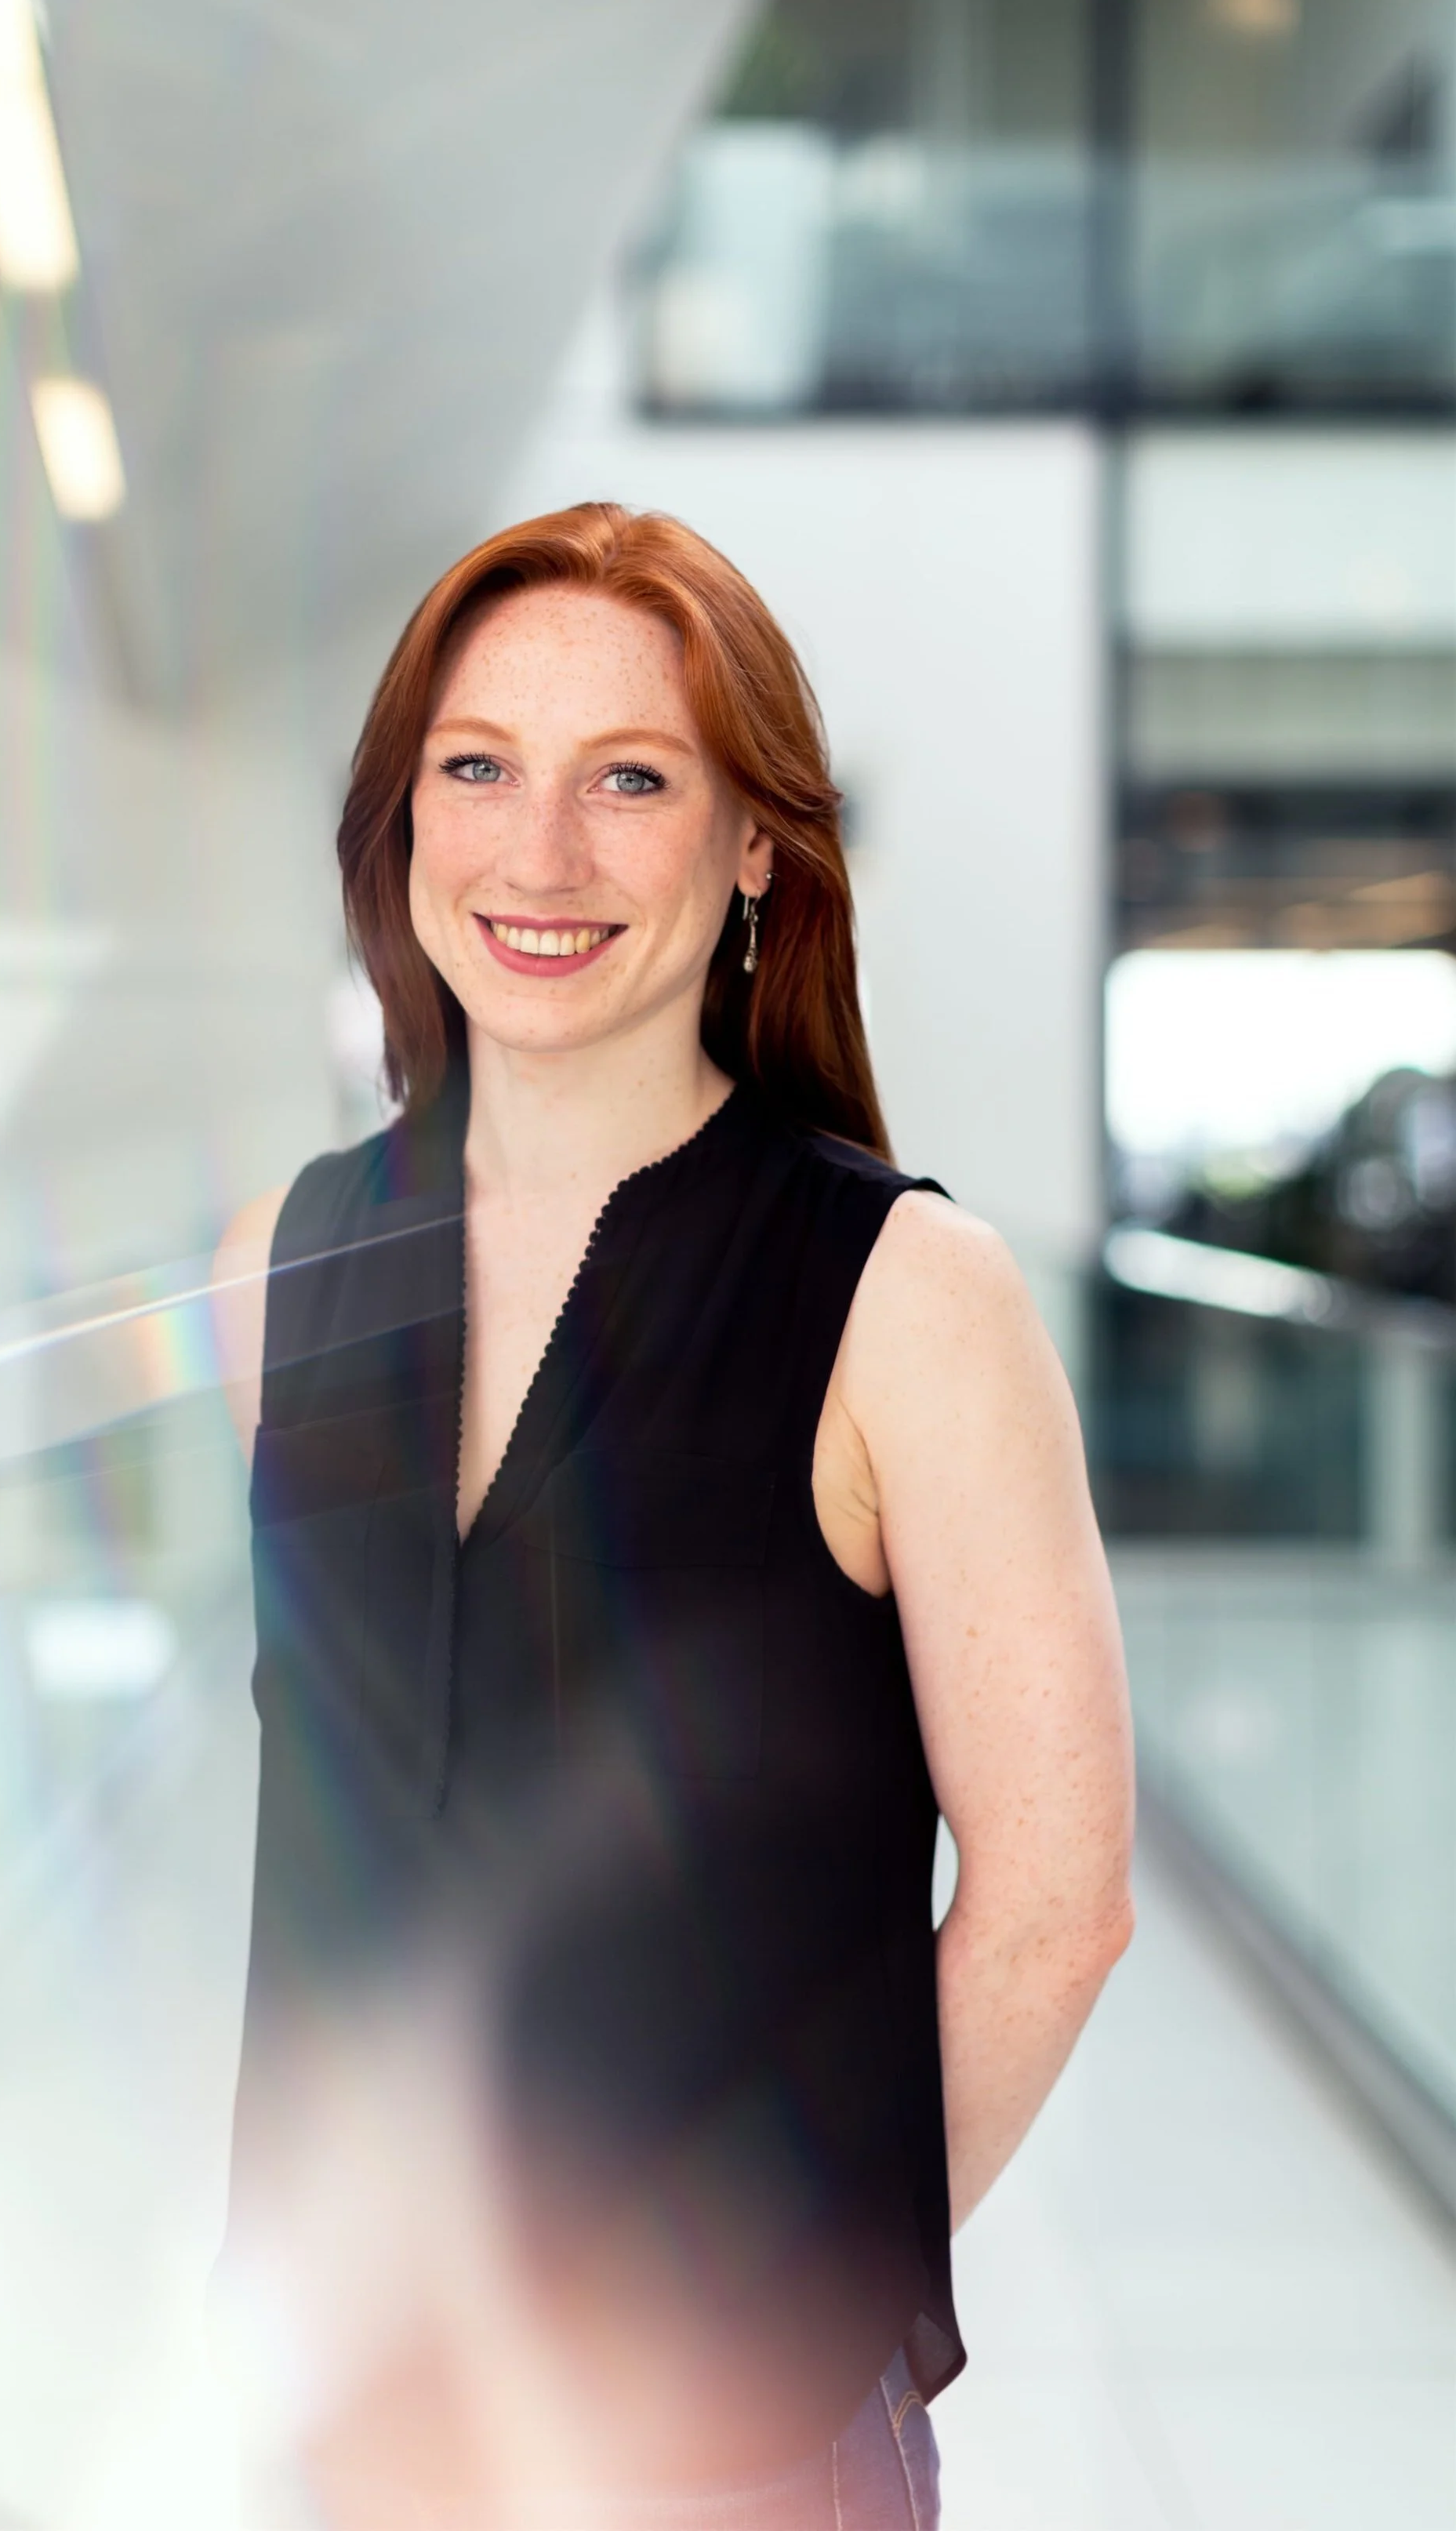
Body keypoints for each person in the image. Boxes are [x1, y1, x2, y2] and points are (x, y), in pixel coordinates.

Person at [212, 503, 1134, 2531]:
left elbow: (1058, 1908)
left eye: (629, 779)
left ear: (751, 848)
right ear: (402, 825)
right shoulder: (286, 1262)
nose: (538, 857)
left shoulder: (902, 1299)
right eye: (479, 770)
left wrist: (772, 2296)